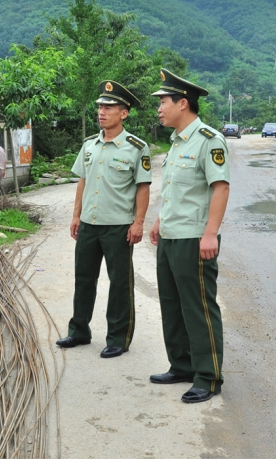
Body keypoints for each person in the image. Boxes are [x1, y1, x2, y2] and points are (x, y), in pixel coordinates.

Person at [147, 68, 230, 403]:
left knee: (198, 308)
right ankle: (181, 365)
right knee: (172, 304)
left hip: (195, 239)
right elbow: (175, 191)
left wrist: (211, 234)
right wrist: (158, 220)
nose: (159, 108)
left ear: (183, 103)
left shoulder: (209, 140)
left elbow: (220, 188)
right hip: (170, 235)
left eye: (163, 101)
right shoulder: (176, 141)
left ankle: (208, 376)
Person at [56, 80, 151, 358]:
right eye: (100, 106)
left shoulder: (136, 147)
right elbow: (83, 182)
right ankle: (79, 331)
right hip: (89, 224)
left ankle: (118, 338)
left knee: (120, 284)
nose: (102, 111)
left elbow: (142, 186)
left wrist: (139, 222)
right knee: (83, 278)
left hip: (119, 226)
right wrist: (76, 216)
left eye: (109, 107)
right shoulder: (89, 146)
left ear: (124, 113)